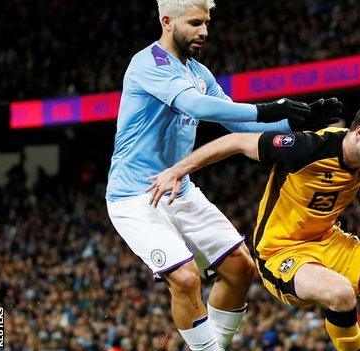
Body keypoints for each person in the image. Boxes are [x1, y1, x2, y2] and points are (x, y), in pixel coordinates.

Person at [148, 98, 360, 351]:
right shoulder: (306, 149)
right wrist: (178, 170)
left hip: (331, 242)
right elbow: (234, 142)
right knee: (341, 294)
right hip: (280, 252)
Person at [105, 1, 340, 350]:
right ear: (167, 22)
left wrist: (296, 119)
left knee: (241, 268)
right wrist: (270, 107)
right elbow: (196, 106)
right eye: (195, 22)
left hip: (178, 189)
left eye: (207, 23)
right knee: (185, 278)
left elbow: (236, 123)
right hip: (135, 197)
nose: (205, 31)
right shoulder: (148, 64)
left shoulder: (199, 73)